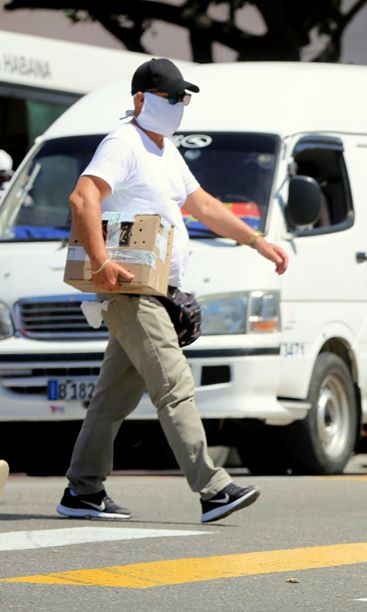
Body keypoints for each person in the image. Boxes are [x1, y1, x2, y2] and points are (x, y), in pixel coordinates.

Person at [58, 58, 289, 523]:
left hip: (156, 290)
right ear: (140, 99)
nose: (179, 105)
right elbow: (83, 198)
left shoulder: (164, 150)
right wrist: (101, 263)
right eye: (171, 97)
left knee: (112, 400)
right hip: (131, 291)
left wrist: (257, 241)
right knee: (175, 386)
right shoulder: (123, 143)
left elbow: (202, 204)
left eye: (184, 98)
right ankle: (213, 488)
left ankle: (82, 491)